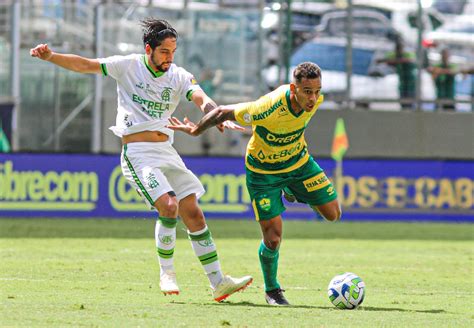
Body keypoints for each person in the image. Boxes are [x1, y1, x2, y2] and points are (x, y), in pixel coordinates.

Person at [29, 18, 252, 302]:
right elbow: (85, 64)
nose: (170, 58)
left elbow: (202, 99)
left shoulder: (179, 75)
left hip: (167, 152)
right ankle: (167, 272)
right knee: (169, 205)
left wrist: (216, 116)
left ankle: (218, 282)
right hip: (137, 153)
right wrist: (51, 56)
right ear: (149, 49)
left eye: (173, 52)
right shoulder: (128, 66)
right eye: (164, 52)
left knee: (193, 211)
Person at [168, 62, 341, 306]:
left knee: (333, 214)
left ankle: (292, 189)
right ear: (294, 89)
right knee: (272, 238)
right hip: (263, 173)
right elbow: (222, 112)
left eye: (317, 91)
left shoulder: (315, 101)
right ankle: (272, 291)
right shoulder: (267, 107)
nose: (313, 98)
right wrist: (196, 130)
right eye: (307, 92)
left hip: (299, 164)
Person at [378, 38, 417, 109]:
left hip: (410, 83)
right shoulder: (395, 56)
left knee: (410, 102)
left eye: (400, 48)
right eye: (397, 48)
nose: (399, 50)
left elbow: (407, 60)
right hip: (402, 84)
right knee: (403, 102)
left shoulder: (407, 54)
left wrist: (390, 60)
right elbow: (386, 61)